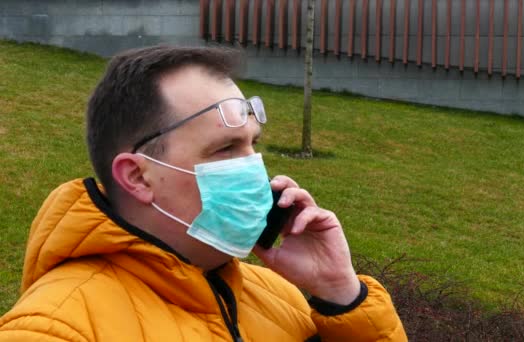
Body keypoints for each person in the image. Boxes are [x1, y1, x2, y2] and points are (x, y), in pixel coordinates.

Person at [0, 45, 407, 341]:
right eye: (225, 149)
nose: (255, 169)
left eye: (253, 144)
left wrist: (340, 294)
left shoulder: (278, 294)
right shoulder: (56, 327)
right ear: (138, 177)